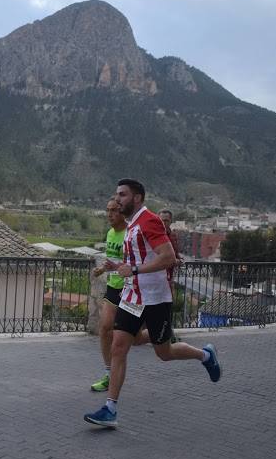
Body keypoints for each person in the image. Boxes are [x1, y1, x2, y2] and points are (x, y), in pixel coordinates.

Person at [84, 179, 221, 429]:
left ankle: (205, 355)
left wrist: (134, 269)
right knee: (119, 345)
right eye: (116, 195)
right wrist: (119, 267)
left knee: (164, 353)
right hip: (132, 297)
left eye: (122, 195)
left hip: (155, 299)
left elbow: (167, 258)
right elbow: (135, 259)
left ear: (137, 197)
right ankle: (110, 409)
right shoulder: (132, 225)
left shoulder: (149, 221)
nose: (117, 200)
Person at [90, 198, 148, 392]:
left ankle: (159, 335)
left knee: (137, 339)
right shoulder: (110, 233)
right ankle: (108, 373)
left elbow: (136, 260)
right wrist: (101, 269)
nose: (109, 214)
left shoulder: (130, 233)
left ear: (122, 212)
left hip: (130, 289)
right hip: (114, 288)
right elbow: (112, 261)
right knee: (105, 328)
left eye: (113, 210)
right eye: (107, 210)